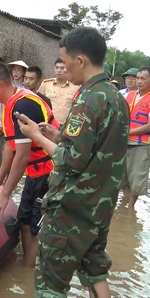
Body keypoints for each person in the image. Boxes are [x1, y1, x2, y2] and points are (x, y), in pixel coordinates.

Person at [18, 27, 129, 298]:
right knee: (95, 270)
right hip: (100, 206)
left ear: (80, 61)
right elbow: (101, 146)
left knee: (51, 285)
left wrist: (35, 136)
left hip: (72, 209)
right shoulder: (116, 97)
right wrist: (60, 135)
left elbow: (71, 160)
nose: (65, 71)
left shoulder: (88, 99)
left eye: (66, 64)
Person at [0, 61, 59, 268]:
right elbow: (10, 146)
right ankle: (26, 267)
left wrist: (5, 194)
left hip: (48, 173)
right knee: (24, 221)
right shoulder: (9, 104)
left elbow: (22, 156)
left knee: (34, 227)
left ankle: (29, 273)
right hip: (35, 173)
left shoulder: (23, 105)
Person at [121, 66, 150, 208]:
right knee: (123, 178)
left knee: (137, 179)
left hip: (141, 145)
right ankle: (123, 206)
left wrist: (128, 132)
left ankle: (130, 209)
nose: (138, 81)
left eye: (143, 78)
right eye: (137, 78)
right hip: (124, 142)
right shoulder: (130, 95)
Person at [38, 58, 79, 127]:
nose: (59, 70)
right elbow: (39, 102)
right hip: (48, 124)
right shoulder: (46, 84)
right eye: (57, 68)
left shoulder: (75, 87)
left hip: (66, 126)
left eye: (62, 68)